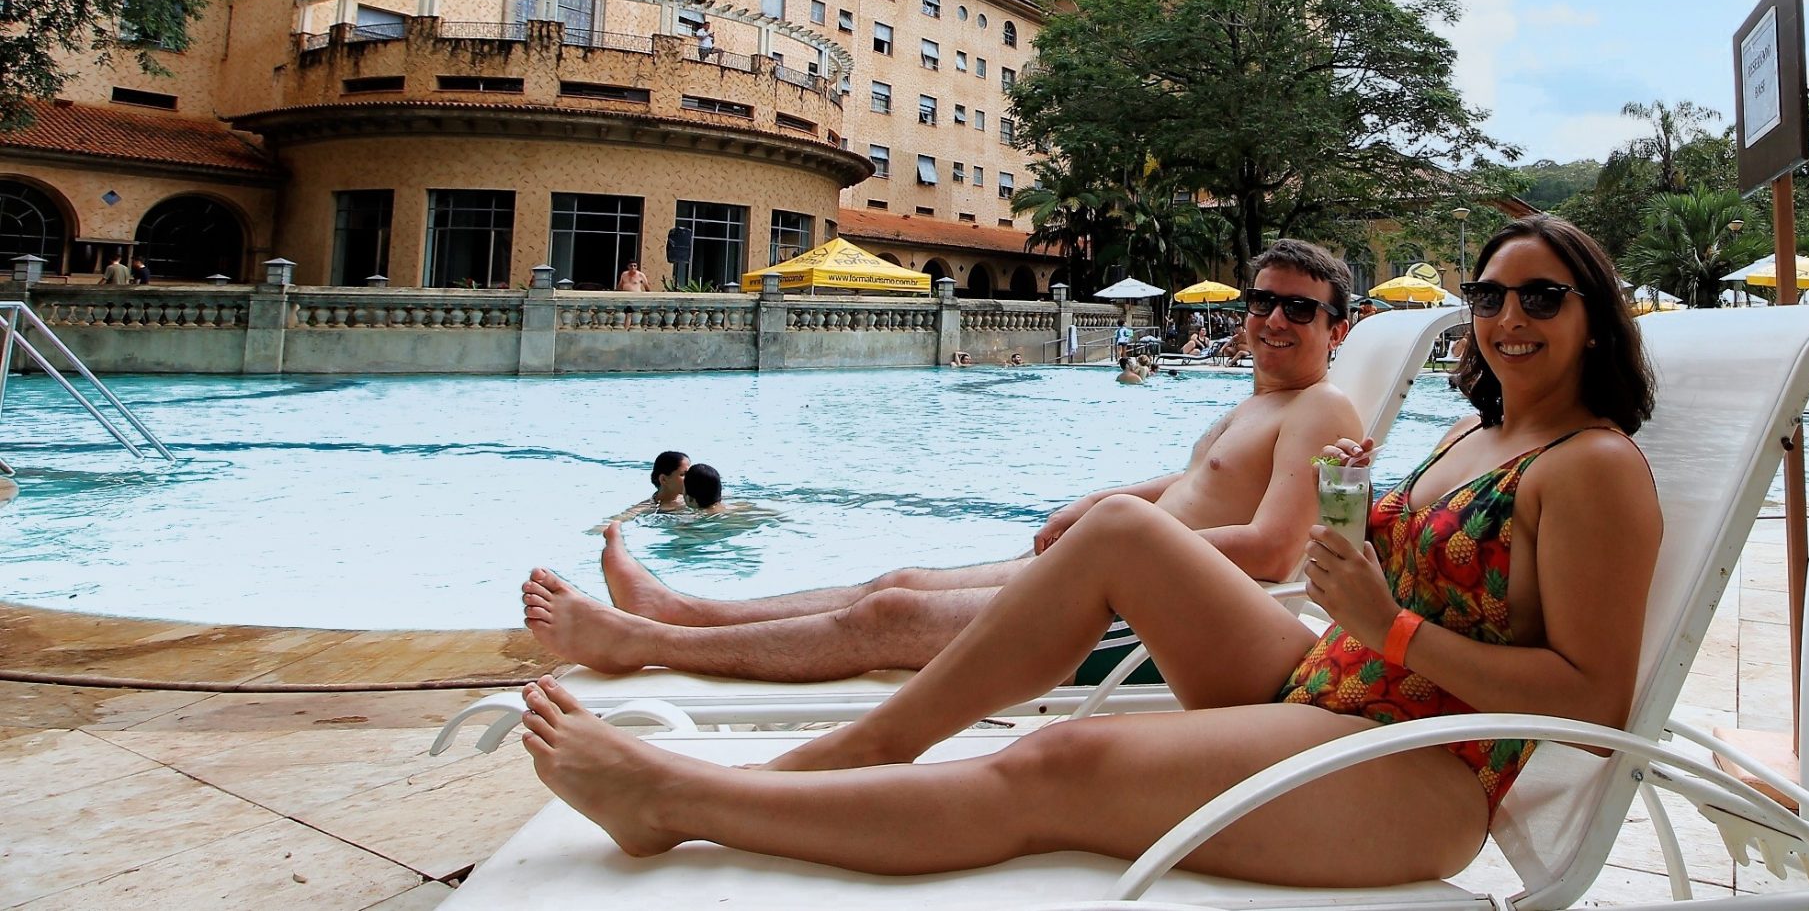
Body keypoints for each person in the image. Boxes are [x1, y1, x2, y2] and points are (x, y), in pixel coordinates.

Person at [517, 215, 1661, 885]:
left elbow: (1594, 696)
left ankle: (684, 802)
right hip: (1336, 680)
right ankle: (865, 743)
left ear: (1590, 316)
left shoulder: (1590, 465)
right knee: (1116, 528)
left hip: (1422, 763)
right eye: (1490, 293)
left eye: (1541, 297)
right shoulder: (1479, 428)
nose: (1507, 317)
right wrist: (1361, 600)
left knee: (1062, 763)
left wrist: (1390, 625)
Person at [521, 239, 1363, 683]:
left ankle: (645, 643)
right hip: (1110, 571)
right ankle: (682, 611)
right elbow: (1191, 488)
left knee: (885, 622)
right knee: (896, 583)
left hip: (1138, 611)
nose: (1273, 320)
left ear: (1339, 329)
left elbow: (1273, 552)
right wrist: (1100, 502)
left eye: (1300, 307)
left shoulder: (1321, 407)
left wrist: (1120, 539)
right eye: (1262, 300)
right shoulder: (1264, 405)